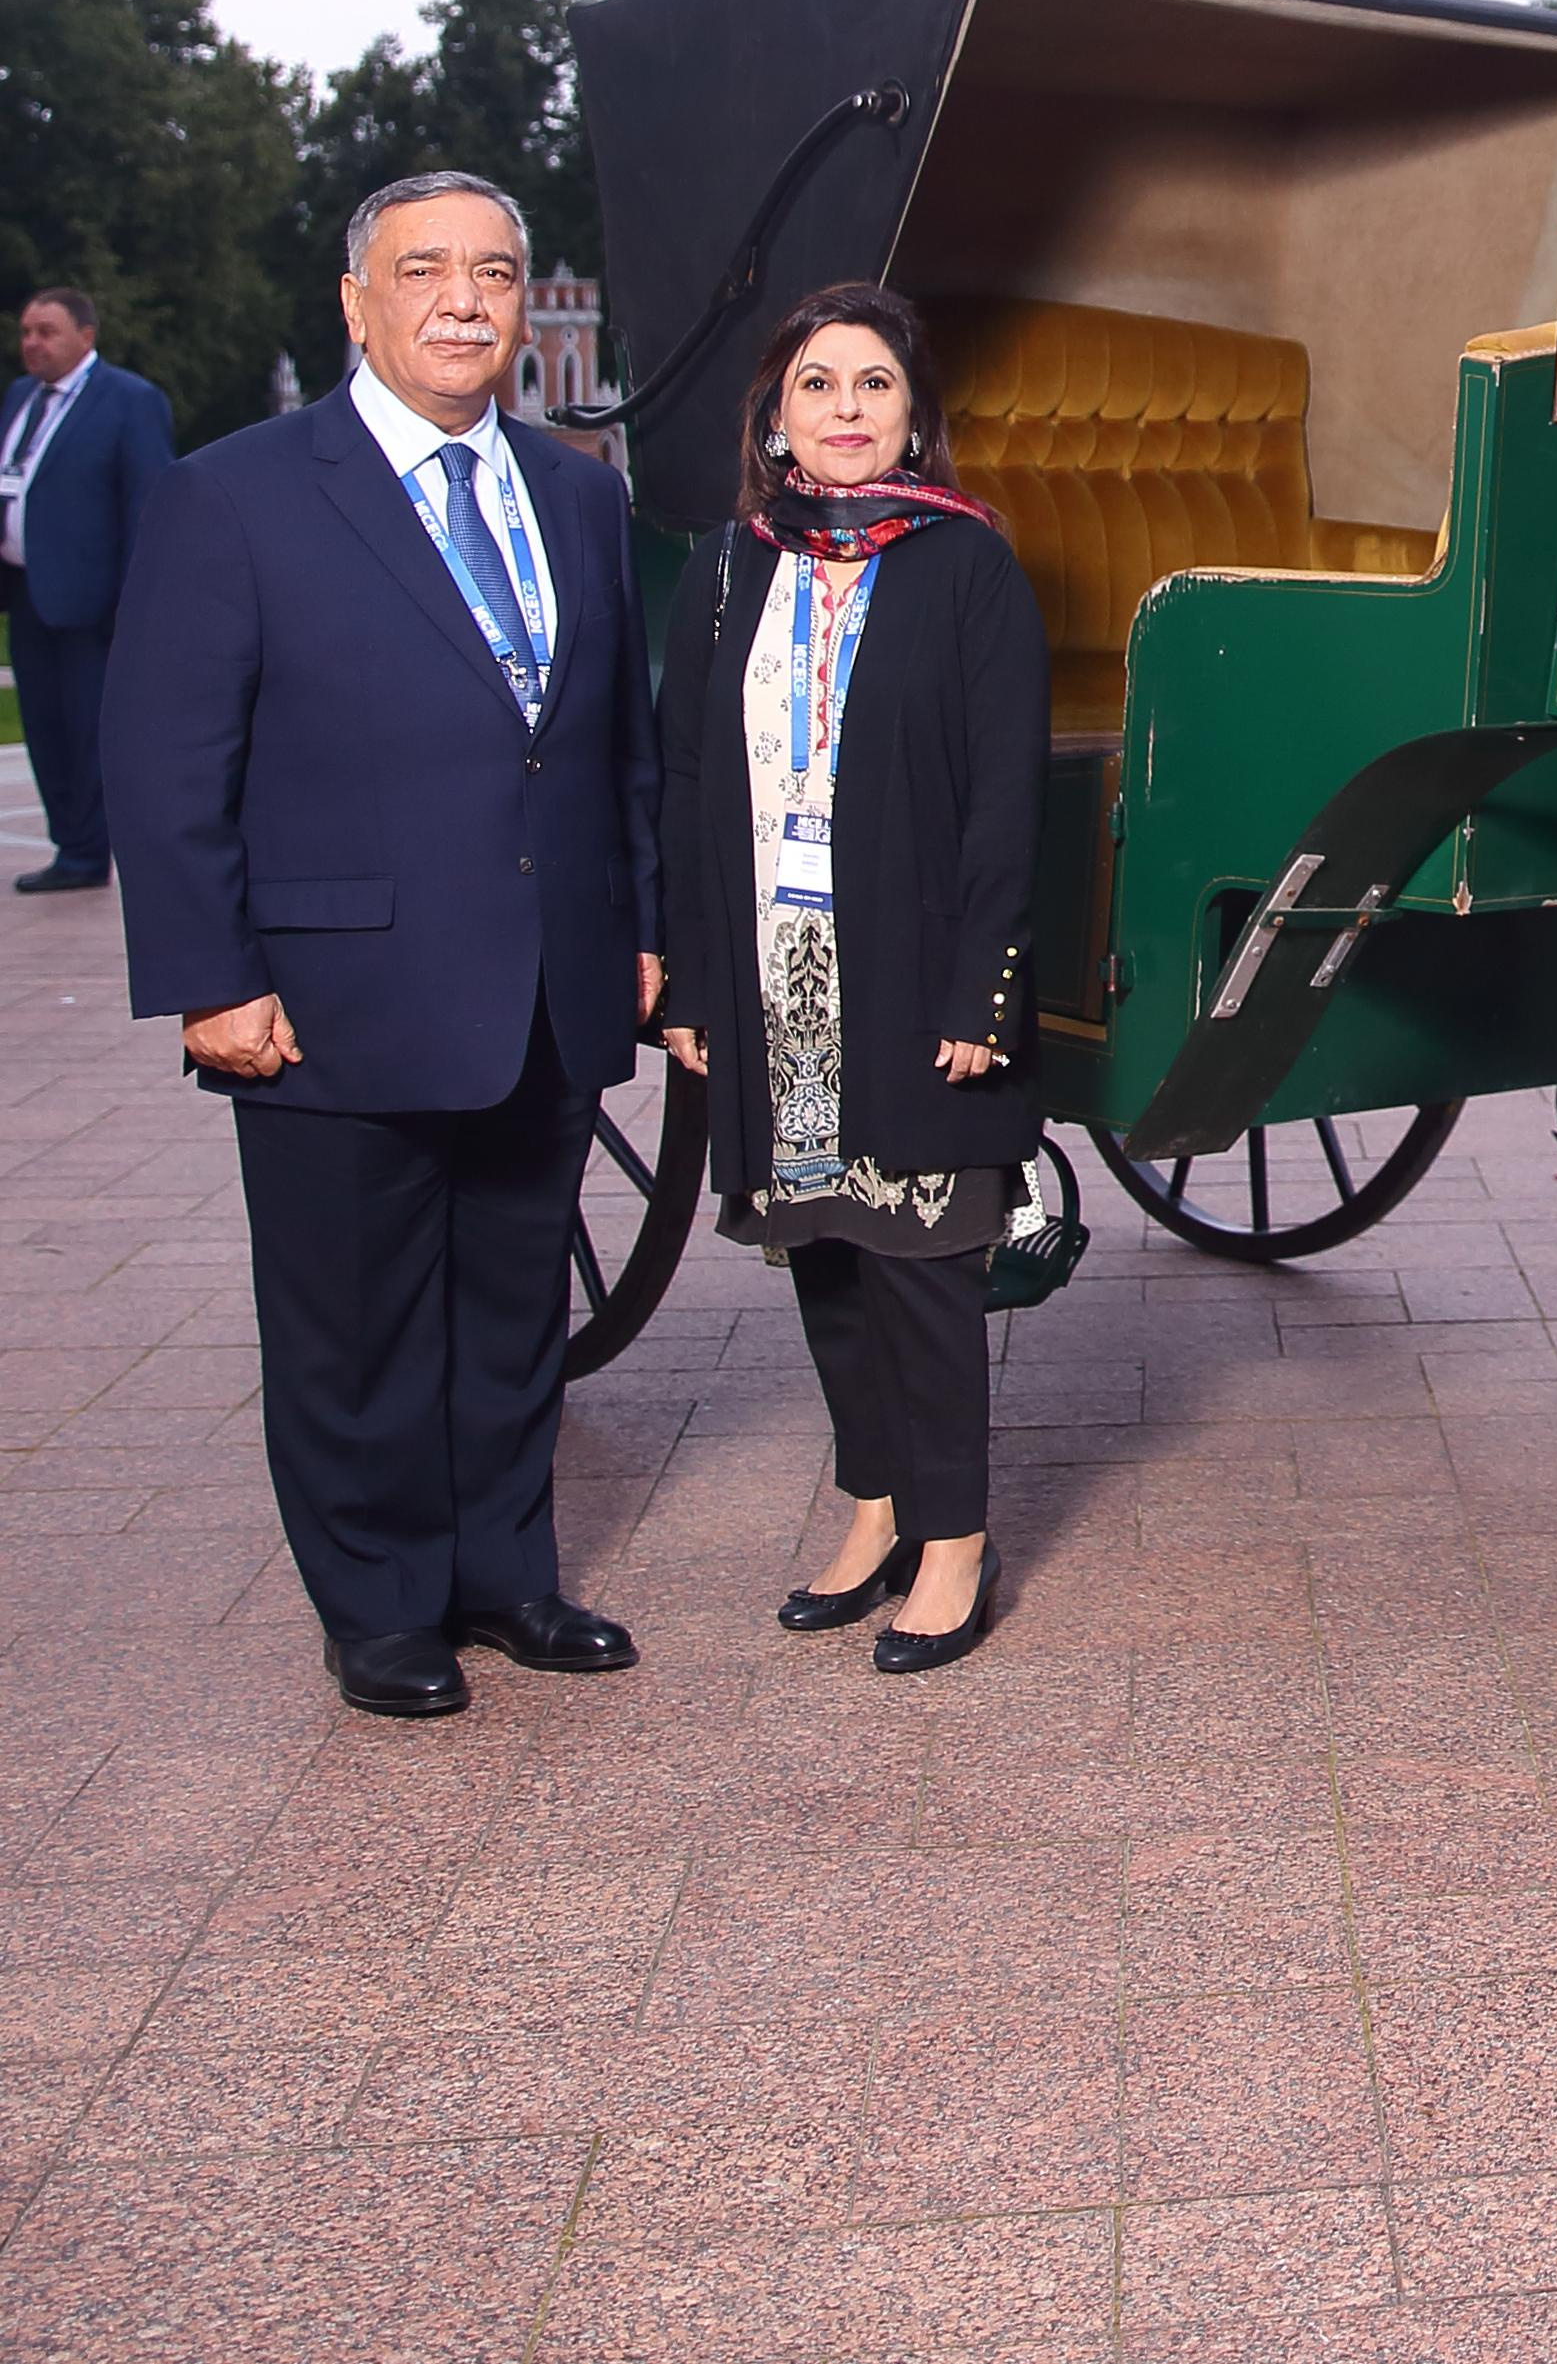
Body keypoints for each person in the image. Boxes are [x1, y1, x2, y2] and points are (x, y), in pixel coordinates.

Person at [101, 173, 662, 1719]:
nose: (466, 300)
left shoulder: (579, 494)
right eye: (425, 270)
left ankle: (506, 1577)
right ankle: (382, 1608)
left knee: (507, 1309)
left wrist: (639, 929)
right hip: (331, 996)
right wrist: (211, 979)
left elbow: (613, 746)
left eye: (494, 269)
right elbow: (165, 763)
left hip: (544, 980)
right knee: (350, 1326)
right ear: (357, 301)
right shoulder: (239, 494)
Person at [660, 279, 1048, 1675]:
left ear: (913, 416)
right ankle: (871, 1506)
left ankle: (954, 1541)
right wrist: (694, 985)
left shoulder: (967, 566)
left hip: (912, 961)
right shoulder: (726, 570)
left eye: (871, 385)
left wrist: (978, 997)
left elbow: (1006, 800)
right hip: (770, 966)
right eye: (817, 386)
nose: (844, 411)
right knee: (823, 1248)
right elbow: (684, 777)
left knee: (926, 1260)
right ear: (775, 416)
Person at [1, 289, 174, 894]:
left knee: (86, 732)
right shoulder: (21, 399)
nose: (32, 344)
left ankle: (89, 851)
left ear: (85, 335)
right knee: (45, 729)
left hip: (93, 604)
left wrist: (136, 602)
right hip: (27, 594)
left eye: (46, 331)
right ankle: (71, 848)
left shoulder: (129, 402)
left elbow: (146, 507)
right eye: (25, 332)